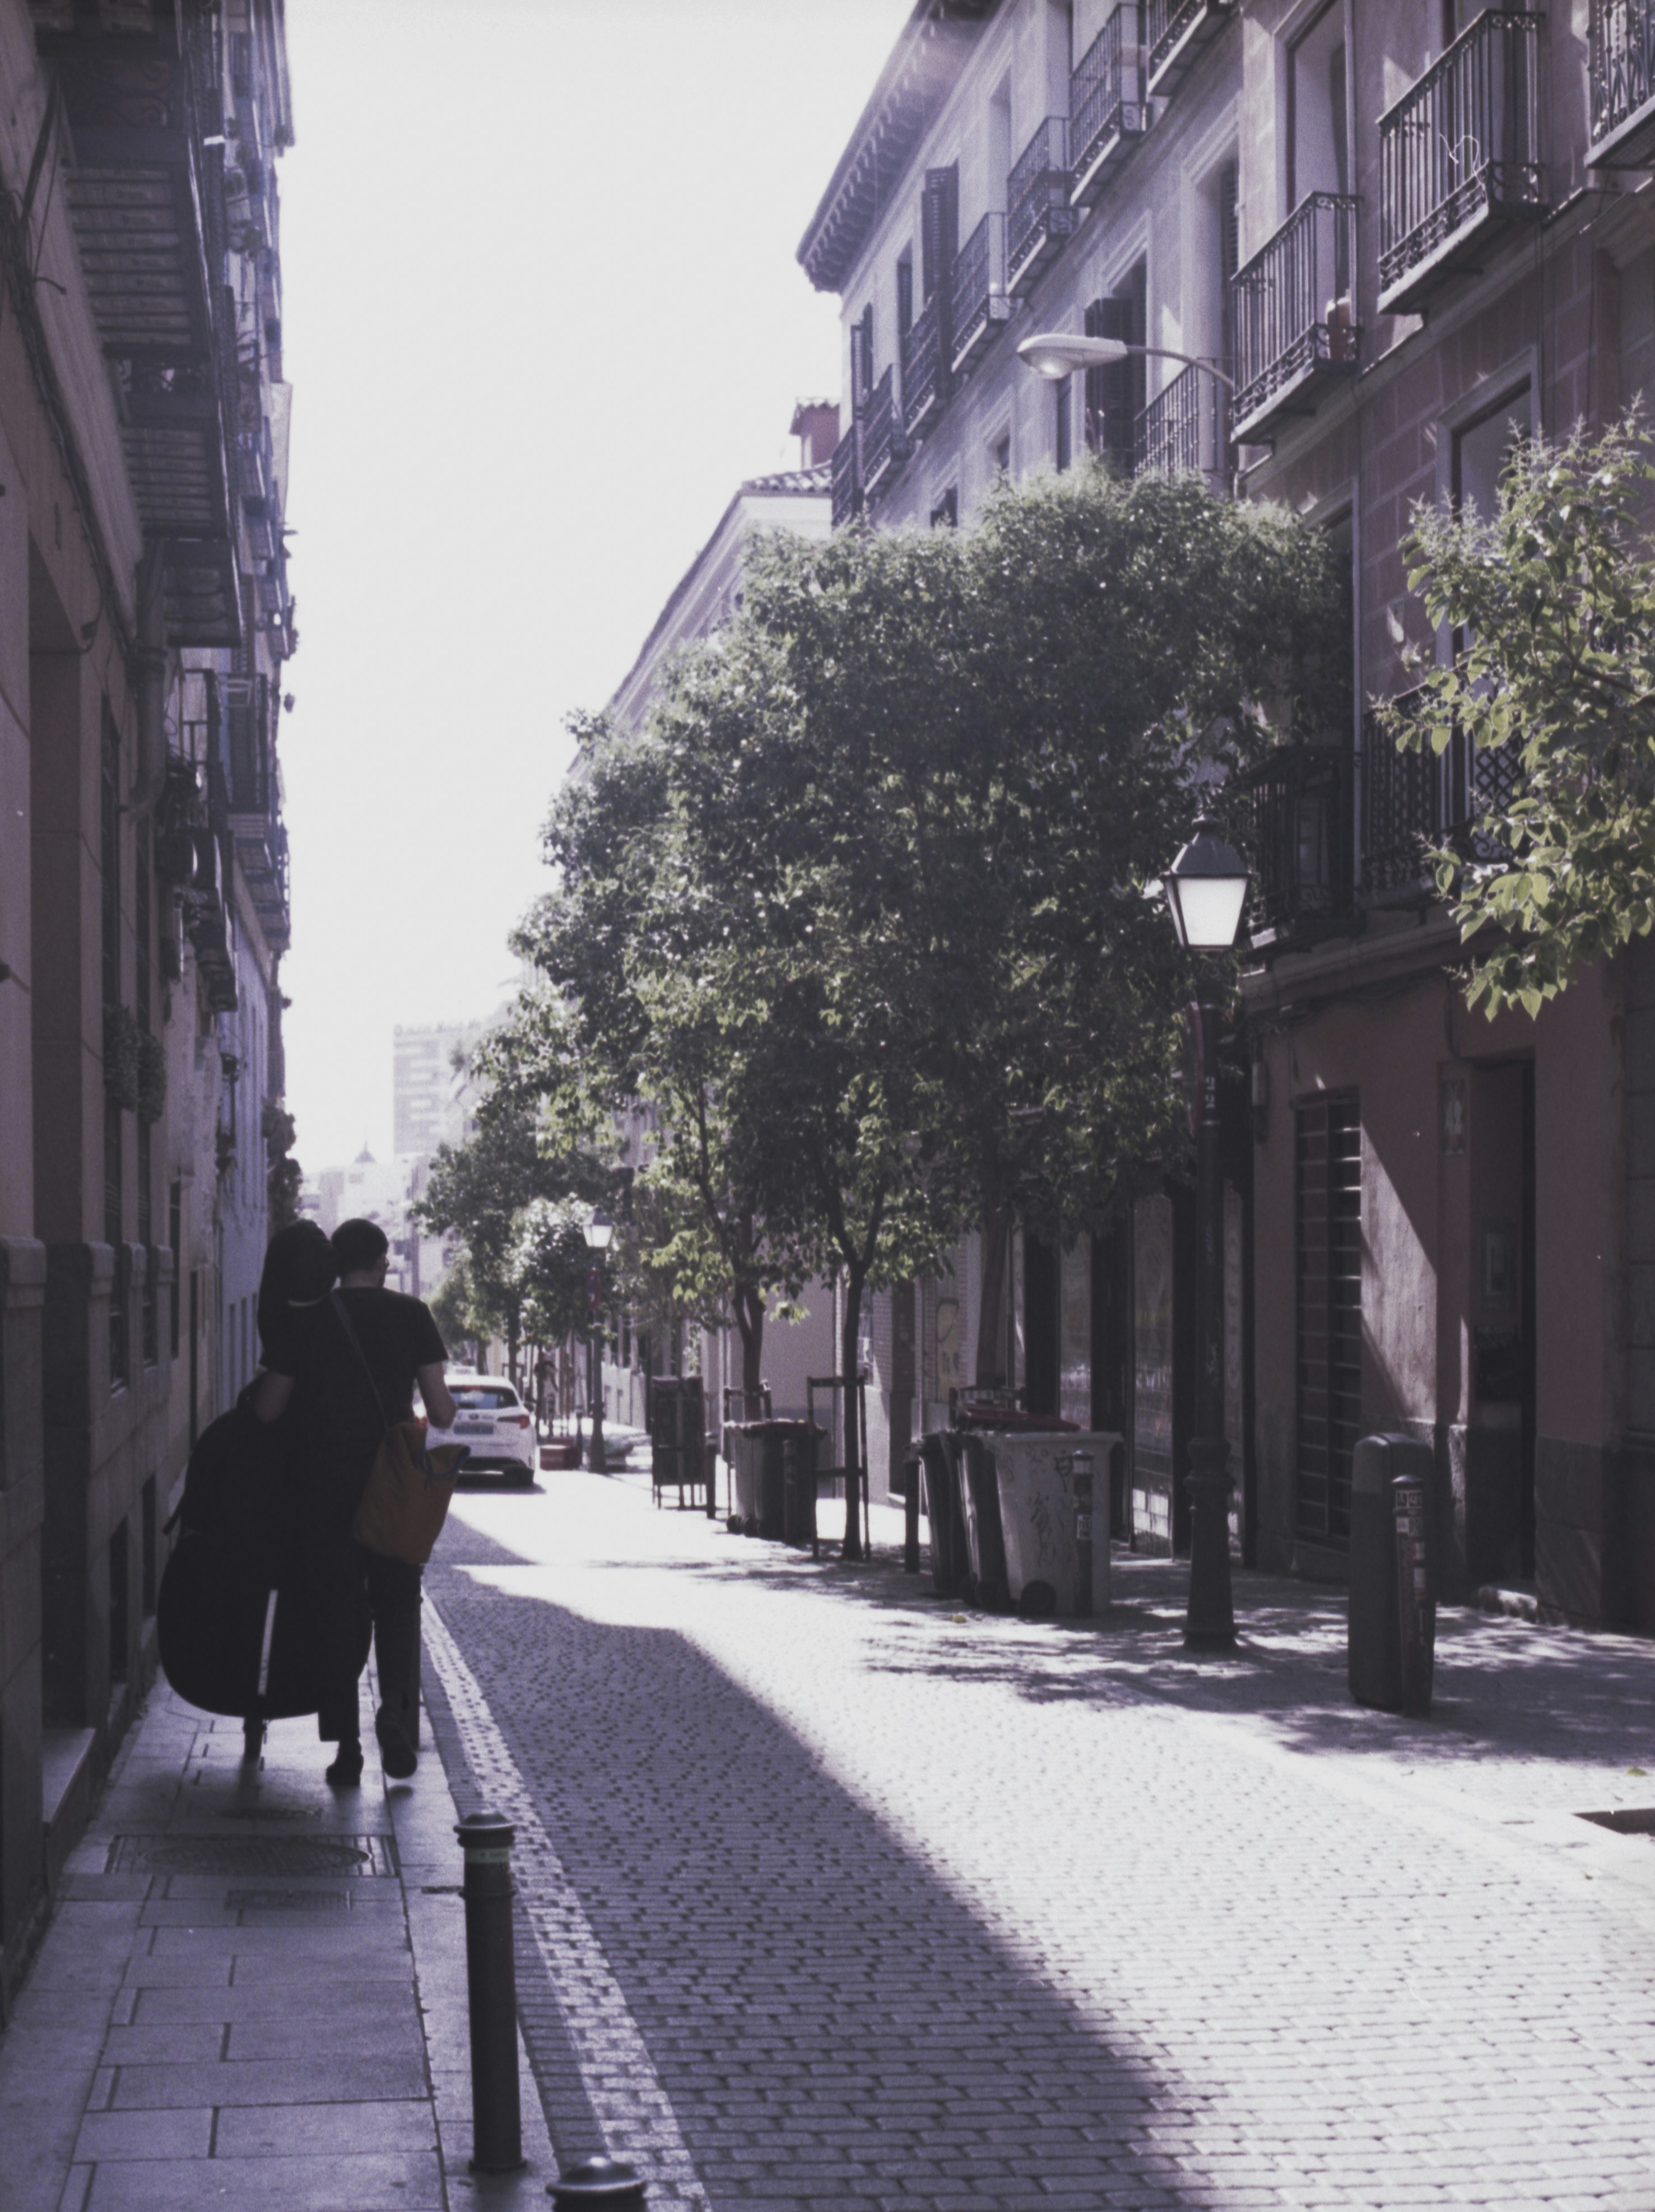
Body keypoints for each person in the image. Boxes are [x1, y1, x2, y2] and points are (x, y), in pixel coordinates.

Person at [253, 1216, 455, 1785]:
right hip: (389, 1489)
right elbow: (439, 1412)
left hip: (322, 1493)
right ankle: (394, 1712)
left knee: (337, 1615)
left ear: (334, 1264)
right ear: (381, 1262)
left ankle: (346, 1749)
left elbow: (269, 1409)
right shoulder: (411, 1315)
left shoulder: (310, 1318)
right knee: (395, 1604)